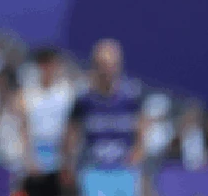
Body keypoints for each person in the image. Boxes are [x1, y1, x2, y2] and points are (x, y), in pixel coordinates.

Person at [64, 40, 147, 196]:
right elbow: (71, 133)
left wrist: (137, 154)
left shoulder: (132, 96)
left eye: (111, 65)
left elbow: (142, 130)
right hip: (93, 171)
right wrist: (69, 163)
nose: (107, 71)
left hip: (123, 171)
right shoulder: (84, 99)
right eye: (102, 65)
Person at [17, 48, 77, 196]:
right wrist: (28, 159)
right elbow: (24, 127)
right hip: (36, 160)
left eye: (52, 64)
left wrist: (68, 161)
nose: (48, 69)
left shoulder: (66, 93)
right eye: (44, 64)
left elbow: (71, 129)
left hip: (59, 159)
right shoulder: (29, 94)